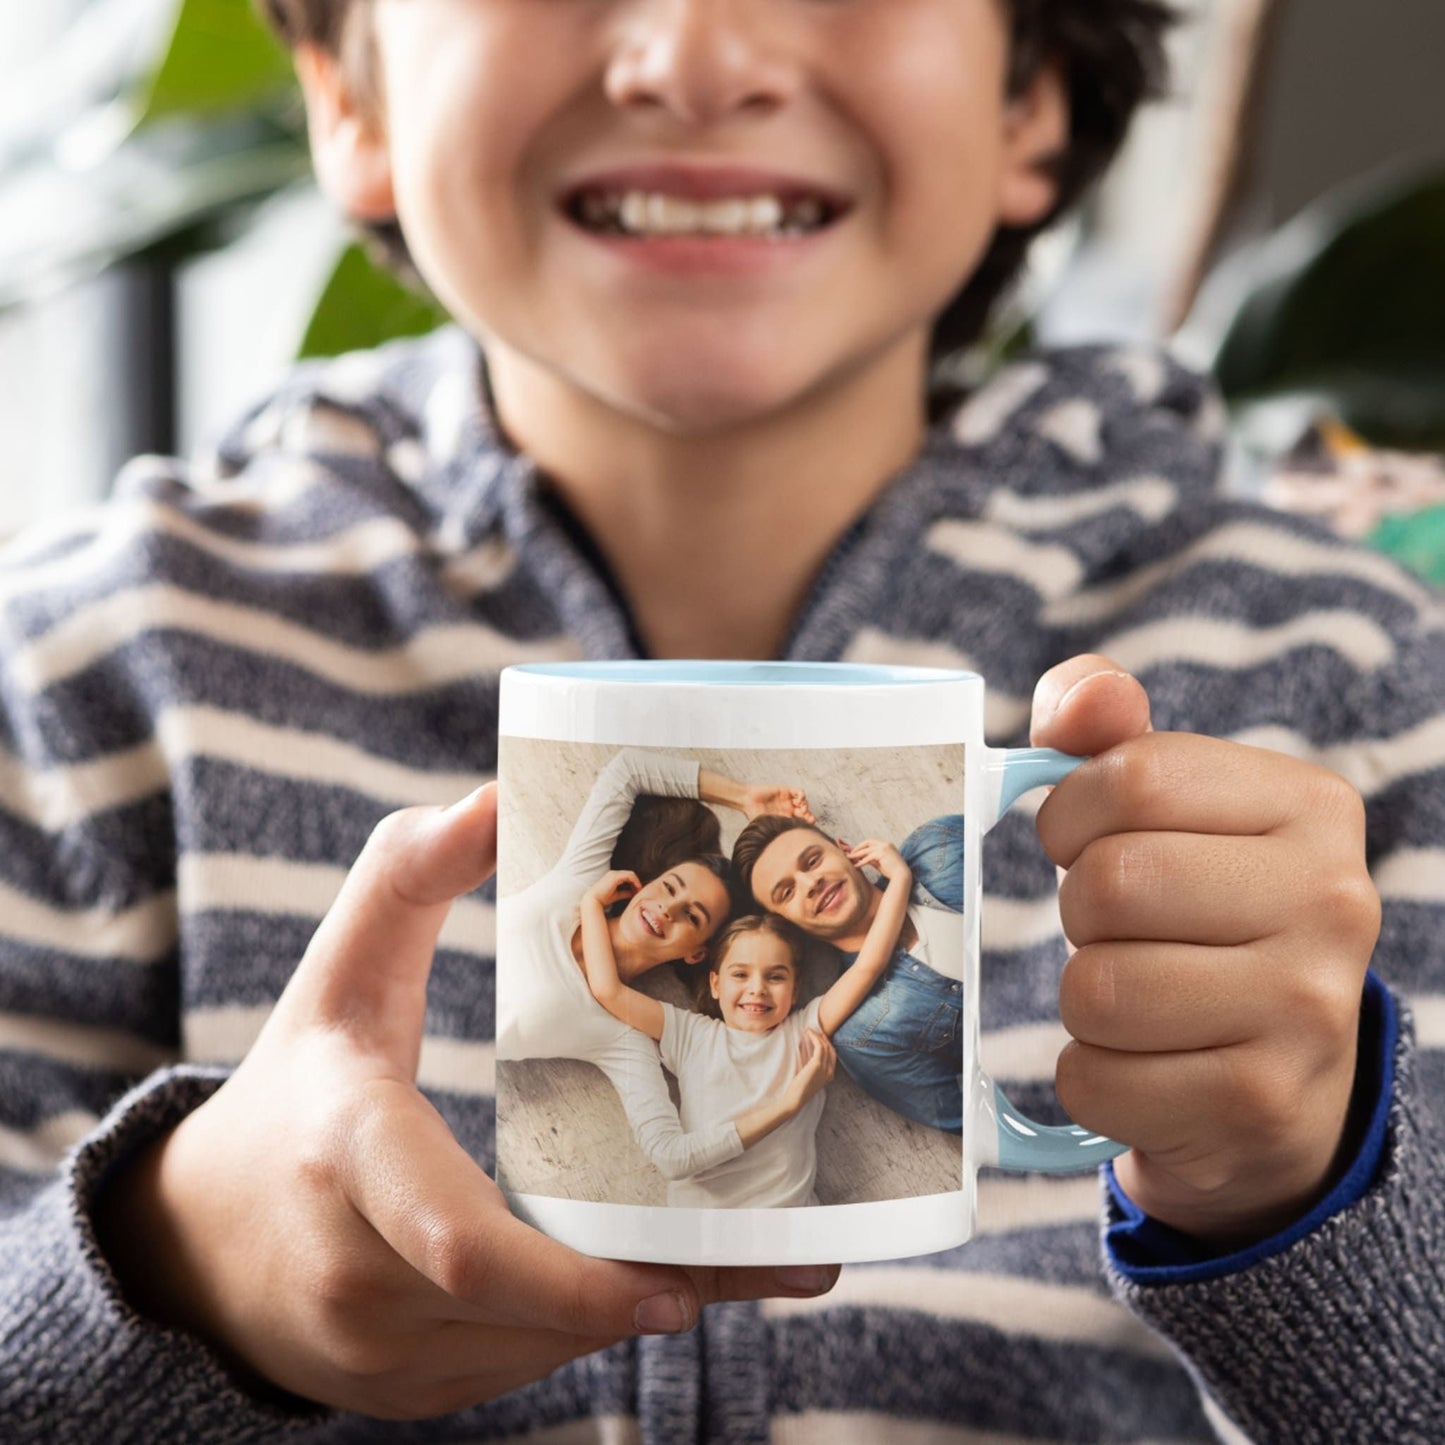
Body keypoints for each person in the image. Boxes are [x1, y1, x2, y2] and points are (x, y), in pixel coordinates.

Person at [0, 0, 1440, 1441]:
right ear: (345, 95)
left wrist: (1312, 1190)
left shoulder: (1353, 688)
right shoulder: (79, 685)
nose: (694, 62)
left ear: (1034, 93)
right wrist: (160, 1262)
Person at [494, 745, 810, 1185]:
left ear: (695, 953)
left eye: (692, 917)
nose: (667, 909)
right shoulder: (578, 879)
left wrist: (788, 1104)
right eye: (670, 887)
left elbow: (671, 1156)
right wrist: (744, 797)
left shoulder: (623, 1036)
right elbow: (628, 770)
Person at [580, 837, 909, 1207]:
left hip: (788, 1230)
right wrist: (591, 904)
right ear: (715, 983)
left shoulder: (804, 1033)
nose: (757, 991)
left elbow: (869, 964)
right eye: (740, 975)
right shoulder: (690, 1034)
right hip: (701, 1236)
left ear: (796, 986)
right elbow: (608, 990)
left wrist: (899, 878)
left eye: (776, 977)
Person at [731, 813, 967, 1132]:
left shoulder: (939, 843)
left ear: (845, 849)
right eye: (787, 892)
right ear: (788, 925)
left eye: (813, 861)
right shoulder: (866, 1037)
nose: (811, 883)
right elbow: (977, 1122)